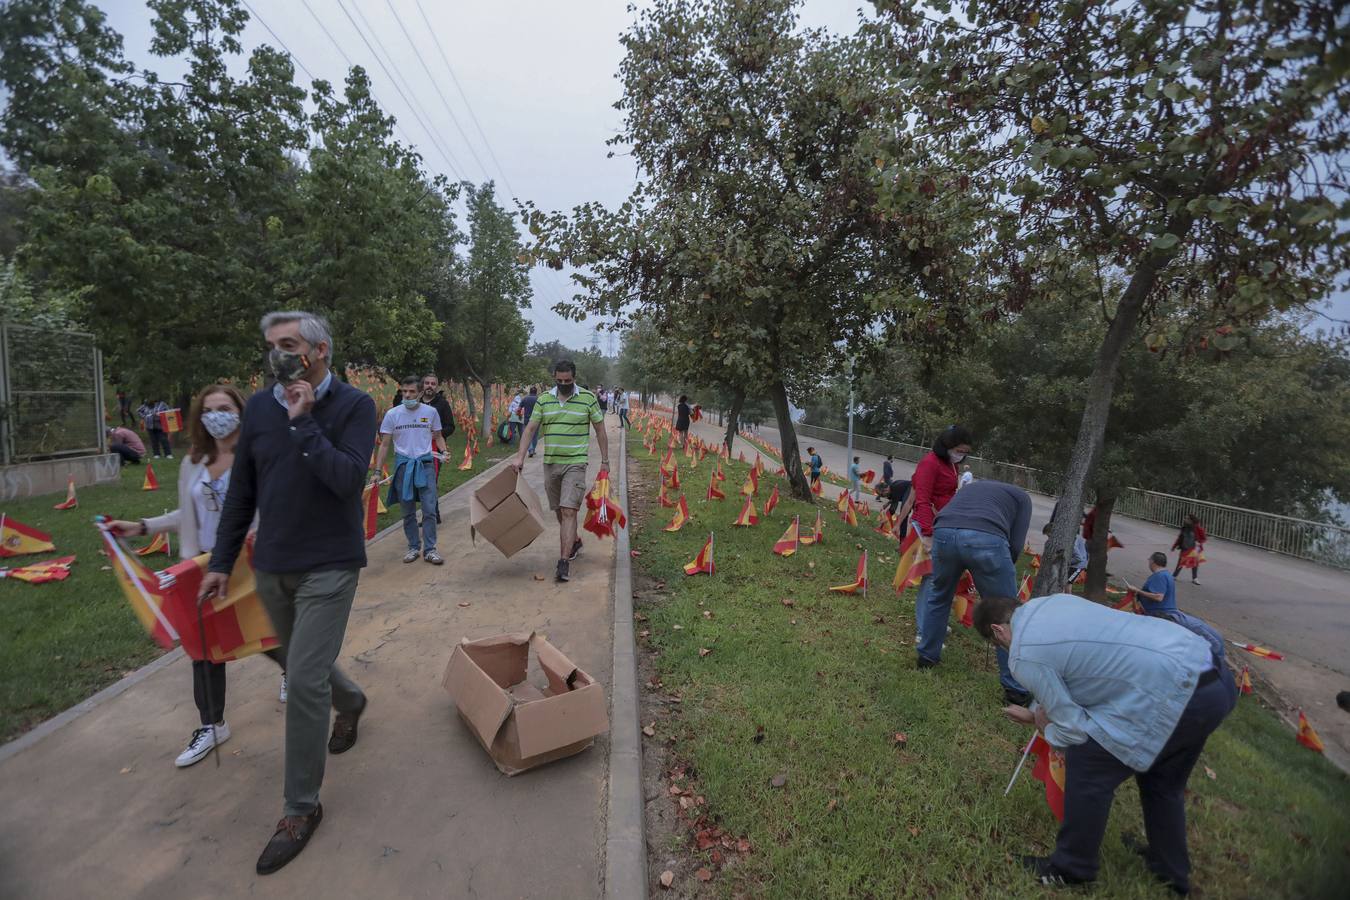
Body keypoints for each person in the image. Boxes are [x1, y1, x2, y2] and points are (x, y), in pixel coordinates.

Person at [198, 311, 374, 875]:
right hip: (272, 564)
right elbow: (244, 488)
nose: (278, 353)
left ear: (319, 349)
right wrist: (222, 561)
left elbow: (348, 480)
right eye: (271, 345)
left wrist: (304, 422)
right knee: (288, 655)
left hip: (330, 564)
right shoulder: (256, 410)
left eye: (289, 344)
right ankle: (351, 700)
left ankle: (300, 809)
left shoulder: (354, 406)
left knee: (300, 679)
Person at [974, 592, 1236, 894]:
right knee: (1161, 781)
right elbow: (1079, 666)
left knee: (1088, 764)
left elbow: (1073, 730)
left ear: (998, 630)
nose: (1005, 650)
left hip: (1173, 692)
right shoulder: (1052, 602)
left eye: (998, 646)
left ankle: (1072, 867)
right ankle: (1170, 869)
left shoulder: (1022, 651)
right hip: (1209, 675)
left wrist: (1044, 727)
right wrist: (1040, 712)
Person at [108, 385, 288, 766]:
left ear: (242, 411)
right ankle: (212, 724)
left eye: (225, 408)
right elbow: (185, 516)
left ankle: (302, 676)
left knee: (268, 634)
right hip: (203, 566)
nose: (217, 415)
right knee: (203, 647)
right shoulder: (194, 461)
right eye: (209, 410)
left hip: (250, 564)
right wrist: (141, 526)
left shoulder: (262, 454)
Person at [914, 479, 1032, 704]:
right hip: (986, 538)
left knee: (939, 596)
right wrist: (1000, 567)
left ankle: (926, 657)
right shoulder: (1022, 498)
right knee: (1005, 613)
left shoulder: (972, 487)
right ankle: (1015, 689)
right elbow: (1016, 544)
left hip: (945, 532)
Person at [511, 359, 609, 583]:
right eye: (559, 380)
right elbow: (531, 428)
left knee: (569, 510)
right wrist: (519, 457)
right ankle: (573, 540)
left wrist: (605, 460)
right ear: (554, 378)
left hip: (576, 462)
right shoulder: (545, 399)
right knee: (558, 510)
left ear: (574, 378)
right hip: (550, 464)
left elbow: (600, 429)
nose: (564, 383)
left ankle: (563, 562)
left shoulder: (587, 398)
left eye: (568, 380)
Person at [896, 425, 971, 636]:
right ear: (947, 445)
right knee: (930, 579)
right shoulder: (929, 463)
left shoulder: (951, 465)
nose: (961, 456)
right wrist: (928, 535)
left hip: (945, 527)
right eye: (959, 450)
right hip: (928, 529)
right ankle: (924, 629)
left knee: (944, 578)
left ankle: (934, 619)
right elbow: (923, 500)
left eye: (965, 452)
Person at [373, 376, 448, 566]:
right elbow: (384, 445)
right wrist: (376, 471)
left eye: (412, 392)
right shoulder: (393, 414)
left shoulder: (430, 412)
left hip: (426, 465)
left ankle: (430, 550)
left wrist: (444, 451)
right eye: (404, 391)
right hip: (403, 466)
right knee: (407, 511)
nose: (407, 395)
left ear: (420, 393)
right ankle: (413, 546)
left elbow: (438, 436)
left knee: (429, 509)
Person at [1128, 552, 1178, 616]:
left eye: (1149, 560)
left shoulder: (1160, 576)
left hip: (1158, 614)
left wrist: (1137, 590)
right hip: (1161, 613)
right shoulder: (1166, 574)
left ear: (1152, 562)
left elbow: (1159, 597)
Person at [1171, 514, 1206, 585]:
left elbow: (1204, 538)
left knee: (1194, 563)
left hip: (1194, 548)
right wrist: (1174, 546)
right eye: (1185, 518)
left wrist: (1199, 542)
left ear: (1191, 521)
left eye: (1187, 519)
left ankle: (1195, 578)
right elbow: (1180, 538)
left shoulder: (1197, 528)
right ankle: (1174, 576)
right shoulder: (1184, 528)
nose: (1185, 520)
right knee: (1181, 562)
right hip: (1185, 547)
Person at [521, 386, 541, 457]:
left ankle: (530, 449)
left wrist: (519, 415)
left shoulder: (525, 398)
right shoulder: (539, 399)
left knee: (527, 435)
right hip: (537, 420)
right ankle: (533, 449)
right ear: (536, 392)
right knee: (535, 436)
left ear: (530, 391)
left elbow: (519, 408)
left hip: (527, 420)